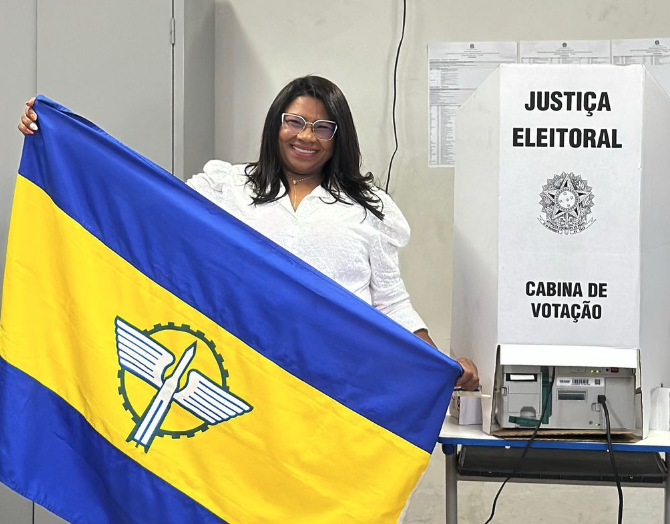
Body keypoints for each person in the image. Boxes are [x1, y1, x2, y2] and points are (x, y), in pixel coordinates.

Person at [18, 75, 479, 390]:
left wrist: (438, 363)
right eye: (295, 121)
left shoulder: (367, 208)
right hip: (242, 371)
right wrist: (58, 141)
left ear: (339, 137)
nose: (306, 136)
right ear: (276, 124)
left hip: (334, 383)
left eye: (323, 127)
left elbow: (391, 302)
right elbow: (152, 207)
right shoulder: (228, 186)